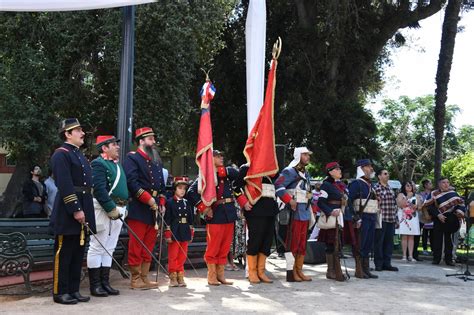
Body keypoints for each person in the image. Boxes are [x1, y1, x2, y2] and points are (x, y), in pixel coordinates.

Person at [49, 118, 95, 304]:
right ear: (67, 134)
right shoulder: (61, 154)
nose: (82, 133)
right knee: (65, 252)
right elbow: (65, 184)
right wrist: (76, 209)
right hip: (68, 211)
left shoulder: (79, 155)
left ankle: (74, 290)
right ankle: (61, 292)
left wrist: (85, 210)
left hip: (84, 204)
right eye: (78, 130)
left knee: (78, 252)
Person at [124, 127, 167, 289]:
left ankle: (144, 277)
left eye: (153, 139)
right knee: (137, 243)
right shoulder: (132, 159)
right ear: (141, 141)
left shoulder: (155, 160)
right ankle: (135, 279)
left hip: (154, 209)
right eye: (150, 139)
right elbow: (132, 183)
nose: (154, 142)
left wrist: (161, 203)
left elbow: (162, 186)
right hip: (139, 208)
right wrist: (148, 200)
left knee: (149, 244)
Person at [188, 150, 239, 286]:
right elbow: (191, 192)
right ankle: (212, 275)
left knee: (225, 246)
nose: (221, 158)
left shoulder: (226, 173)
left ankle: (220, 275)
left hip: (229, 213)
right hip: (216, 214)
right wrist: (203, 208)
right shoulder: (206, 176)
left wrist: (220, 170)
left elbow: (237, 174)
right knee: (214, 246)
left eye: (221, 155)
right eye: (217, 156)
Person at [87, 135, 128, 297]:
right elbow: (99, 189)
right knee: (97, 247)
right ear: (104, 148)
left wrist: (124, 208)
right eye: (113, 145)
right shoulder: (98, 164)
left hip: (119, 209)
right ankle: (95, 285)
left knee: (109, 248)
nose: (117, 147)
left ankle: (105, 283)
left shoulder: (117, 165)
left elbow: (124, 189)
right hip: (104, 209)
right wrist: (111, 208)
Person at [234, 163, 279, 284]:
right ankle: (252, 272)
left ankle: (261, 271)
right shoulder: (246, 168)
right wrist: (243, 202)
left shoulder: (270, 168)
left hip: (270, 209)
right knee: (255, 240)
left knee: (267, 241)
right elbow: (236, 187)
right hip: (255, 209)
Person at [275, 147, 314, 282]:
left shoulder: (306, 173)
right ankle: (291, 272)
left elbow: (308, 191)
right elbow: (278, 186)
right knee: (293, 243)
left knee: (302, 244)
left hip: (304, 212)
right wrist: (289, 200)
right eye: (305, 154)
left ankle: (299, 270)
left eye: (308, 155)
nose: (307, 157)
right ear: (298, 156)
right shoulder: (289, 171)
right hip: (294, 211)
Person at [347, 159, 378, 279]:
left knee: (368, 243)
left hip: (371, 216)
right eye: (368, 166)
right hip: (362, 217)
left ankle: (366, 269)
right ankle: (359, 269)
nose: (371, 169)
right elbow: (349, 201)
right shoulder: (356, 184)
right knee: (361, 243)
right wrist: (355, 217)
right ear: (362, 168)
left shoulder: (370, 184)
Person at [424, 177, 465, 266]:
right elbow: (429, 206)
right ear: (439, 184)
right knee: (437, 239)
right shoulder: (434, 193)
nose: (446, 184)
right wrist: (438, 215)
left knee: (449, 240)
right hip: (438, 218)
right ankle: (436, 259)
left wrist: (458, 213)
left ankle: (449, 259)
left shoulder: (453, 193)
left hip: (451, 219)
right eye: (443, 182)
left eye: (447, 182)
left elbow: (460, 204)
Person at [317, 162, 347, 282]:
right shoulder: (326, 185)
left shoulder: (339, 185)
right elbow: (320, 202)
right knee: (331, 245)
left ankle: (336, 270)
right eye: (337, 169)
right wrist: (330, 211)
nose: (340, 170)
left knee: (338, 244)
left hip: (339, 216)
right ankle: (330, 271)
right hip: (331, 217)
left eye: (339, 168)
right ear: (330, 172)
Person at [164, 178, 194, 288]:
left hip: (185, 230)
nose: (182, 191)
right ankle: (173, 276)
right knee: (173, 255)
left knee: (182, 255)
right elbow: (167, 219)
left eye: (184, 189)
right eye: (179, 188)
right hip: (175, 230)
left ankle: (180, 275)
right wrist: (167, 233)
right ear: (174, 189)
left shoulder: (187, 203)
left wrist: (191, 233)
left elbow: (191, 219)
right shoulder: (170, 202)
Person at [373, 169, 399, 271]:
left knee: (389, 243)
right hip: (381, 219)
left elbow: (394, 206)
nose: (387, 175)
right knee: (379, 243)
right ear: (379, 176)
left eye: (388, 173)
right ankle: (378, 264)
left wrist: (396, 220)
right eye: (385, 174)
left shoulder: (390, 189)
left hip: (391, 219)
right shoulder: (376, 188)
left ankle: (387, 263)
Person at [396, 182, 421, 262]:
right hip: (404, 217)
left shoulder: (416, 196)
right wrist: (407, 197)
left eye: (411, 185)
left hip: (413, 217)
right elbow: (400, 205)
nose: (409, 187)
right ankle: (404, 256)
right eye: (407, 185)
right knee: (404, 236)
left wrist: (416, 206)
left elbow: (419, 207)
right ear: (404, 186)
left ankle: (410, 256)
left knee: (411, 237)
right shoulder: (401, 195)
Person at [419, 179, 434, 255]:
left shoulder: (433, 194)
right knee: (424, 233)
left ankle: (433, 248)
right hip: (423, 216)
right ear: (425, 185)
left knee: (432, 233)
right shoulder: (421, 194)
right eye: (430, 183)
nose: (431, 185)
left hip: (432, 215)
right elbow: (421, 204)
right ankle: (425, 248)